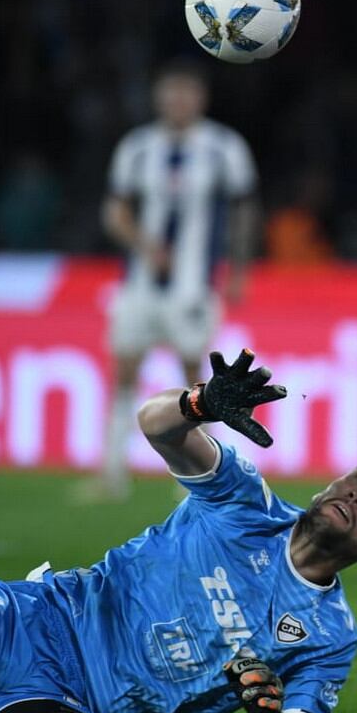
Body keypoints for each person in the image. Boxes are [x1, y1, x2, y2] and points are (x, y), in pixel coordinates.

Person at [0, 350, 357, 713]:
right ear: (328, 484)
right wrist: (201, 404)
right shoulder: (245, 503)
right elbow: (156, 423)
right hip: (33, 622)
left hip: (76, 711)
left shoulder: (330, 636)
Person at [80, 59, 261, 501]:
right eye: (170, 91)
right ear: (159, 97)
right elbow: (115, 211)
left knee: (195, 380)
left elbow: (243, 211)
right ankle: (111, 474)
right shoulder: (138, 147)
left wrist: (238, 270)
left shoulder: (225, 147)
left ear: (201, 98)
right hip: (140, 284)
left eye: (187, 92)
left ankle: (195, 480)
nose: (178, 100)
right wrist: (145, 244)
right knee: (124, 369)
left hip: (193, 286)